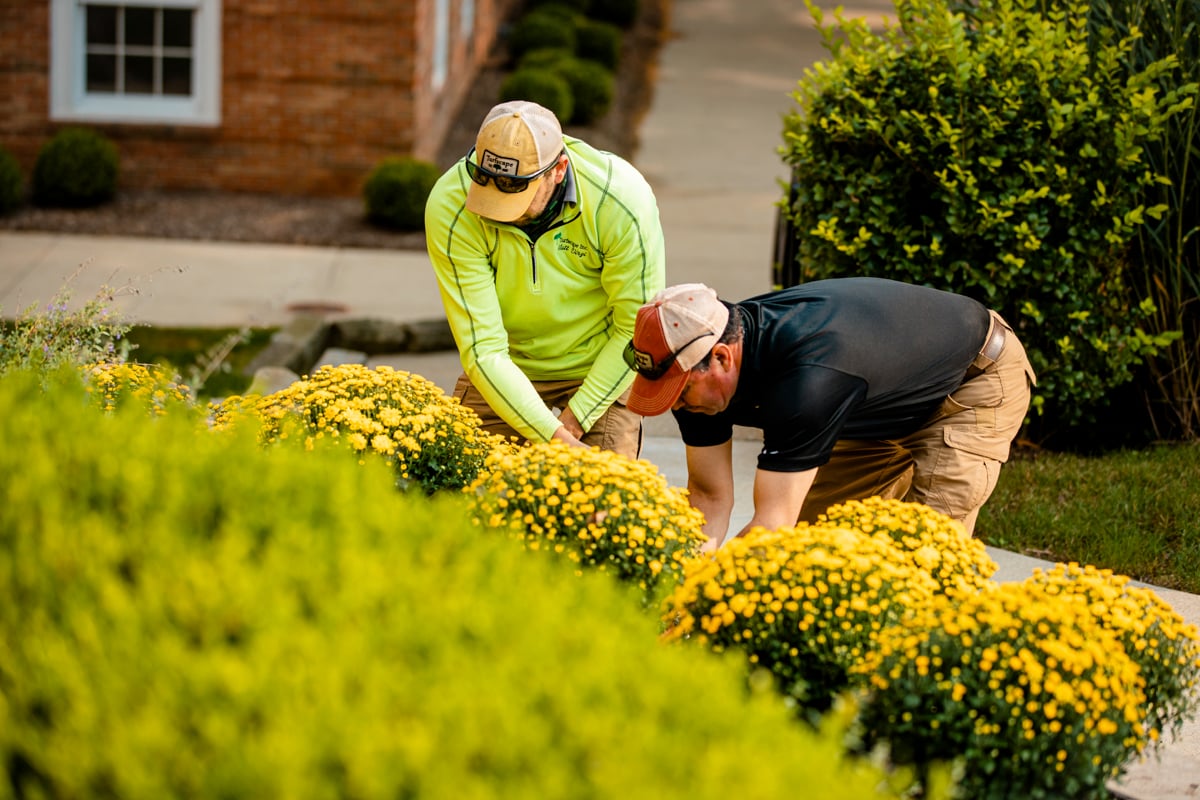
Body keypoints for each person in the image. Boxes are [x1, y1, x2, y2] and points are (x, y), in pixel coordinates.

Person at [624, 279, 1036, 550]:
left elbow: (773, 522)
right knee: (812, 543)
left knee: (922, 551)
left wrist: (706, 604)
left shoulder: (807, 382)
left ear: (721, 358)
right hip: (873, 401)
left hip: (970, 382)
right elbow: (710, 499)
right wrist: (682, 581)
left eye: (679, 392)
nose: (674, 406)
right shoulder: (696, 376)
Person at [424, 100, 665, 458]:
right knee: (458, 484)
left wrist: (575, 420)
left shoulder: (620, 201)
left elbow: (635, 329)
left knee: (602, 501)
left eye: (516, 191)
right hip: (509, 363)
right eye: (486, 186)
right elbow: (484, 349)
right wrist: (554, 436)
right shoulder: (451, 205)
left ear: (558, 169)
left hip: (598, 363)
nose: (499, 211)